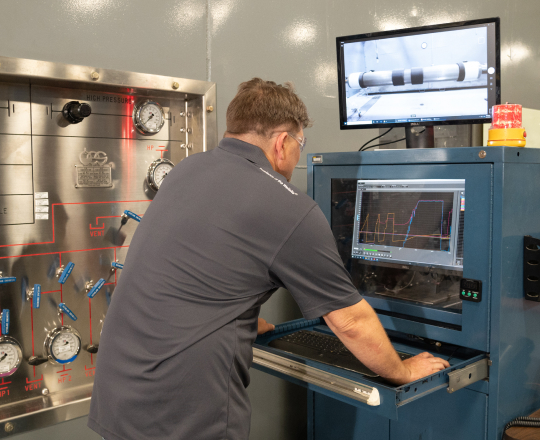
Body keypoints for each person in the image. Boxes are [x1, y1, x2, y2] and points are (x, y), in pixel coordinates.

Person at [88, 78, 449, 440]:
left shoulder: (187, 170)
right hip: (179, 410)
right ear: (282, 142)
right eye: (299, 144)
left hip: (120, 391)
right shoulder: (287, 207)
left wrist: (237, 312)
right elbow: (351, 322)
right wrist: (401, 372)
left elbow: (191, 264)